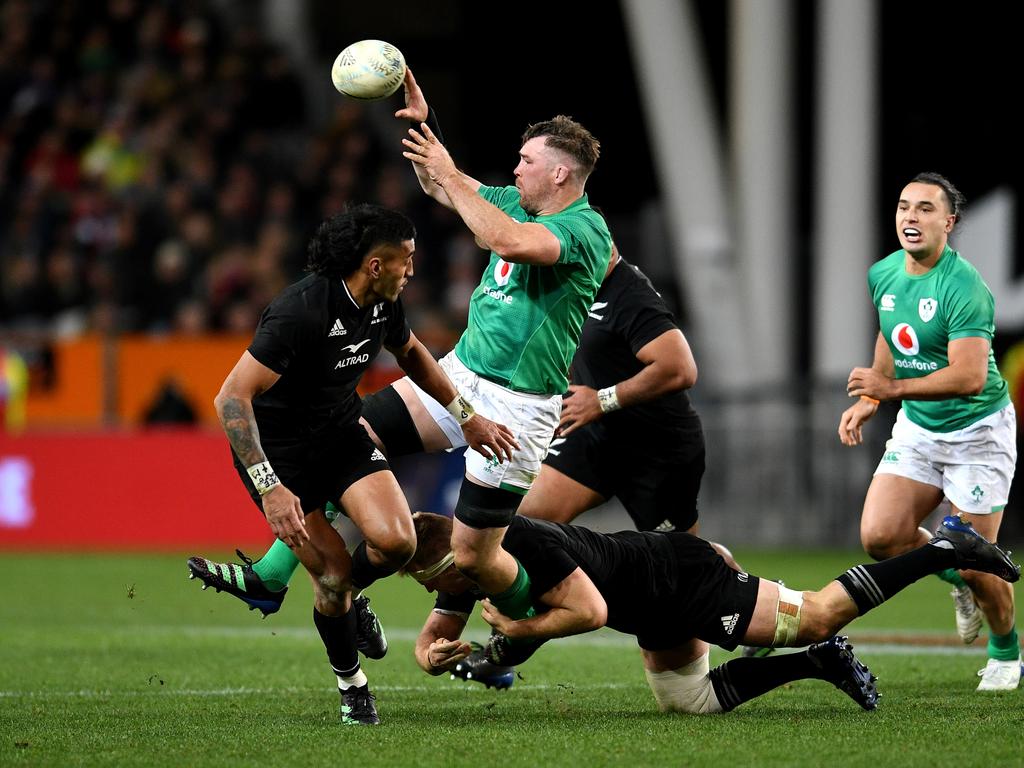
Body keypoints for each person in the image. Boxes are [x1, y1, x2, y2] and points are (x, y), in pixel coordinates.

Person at [189, 68, 612, 645]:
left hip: (521, 409)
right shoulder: (517, 202)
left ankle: (521, 627)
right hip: (462, 374)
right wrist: (424, 137)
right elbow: (444, 188)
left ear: (560, 173)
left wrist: (451, 175)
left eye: (527, 161)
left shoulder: (585, 230)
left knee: (474, 559)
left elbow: (507, 242)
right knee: (349, 437)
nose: (515, 170)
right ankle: (281, 577)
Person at [188, 204, 517, 726]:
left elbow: (411, 354)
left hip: (342, 437)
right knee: (334, 578)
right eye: (405, 259)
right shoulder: (300, 311)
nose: (413, 269)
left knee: (399, 542)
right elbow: (231, 399)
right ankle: (352, 685)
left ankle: (303, 589)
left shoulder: (385, 305)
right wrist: (269, 488)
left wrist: (466, 417)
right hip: (284, 461)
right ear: (375, 265)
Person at [404, 509, 1019, 712]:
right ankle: (820, 664)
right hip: (651, 604)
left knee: (820, 613)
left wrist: (511, 637)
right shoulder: (471, 562)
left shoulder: (523, 545)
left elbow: (586, 612)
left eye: (431, 578)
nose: (439, 591)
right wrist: (434, 656)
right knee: (688, 702)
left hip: (680, 581)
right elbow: (434, 637)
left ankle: (946, 546)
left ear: (454, 558)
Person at [839, 172, 1020, 692]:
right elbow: (889, 331)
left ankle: (1007, 653)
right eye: (903, 207)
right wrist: (873, 395)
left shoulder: (965, 288)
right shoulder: (884, 273)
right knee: (880, 537)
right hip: (919, 428)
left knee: (976, 557)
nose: (910, 217)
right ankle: (953, 577)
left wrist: (888, 391)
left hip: (978, 432)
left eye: (924, 209)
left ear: (949, 222)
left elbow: (968, 377)